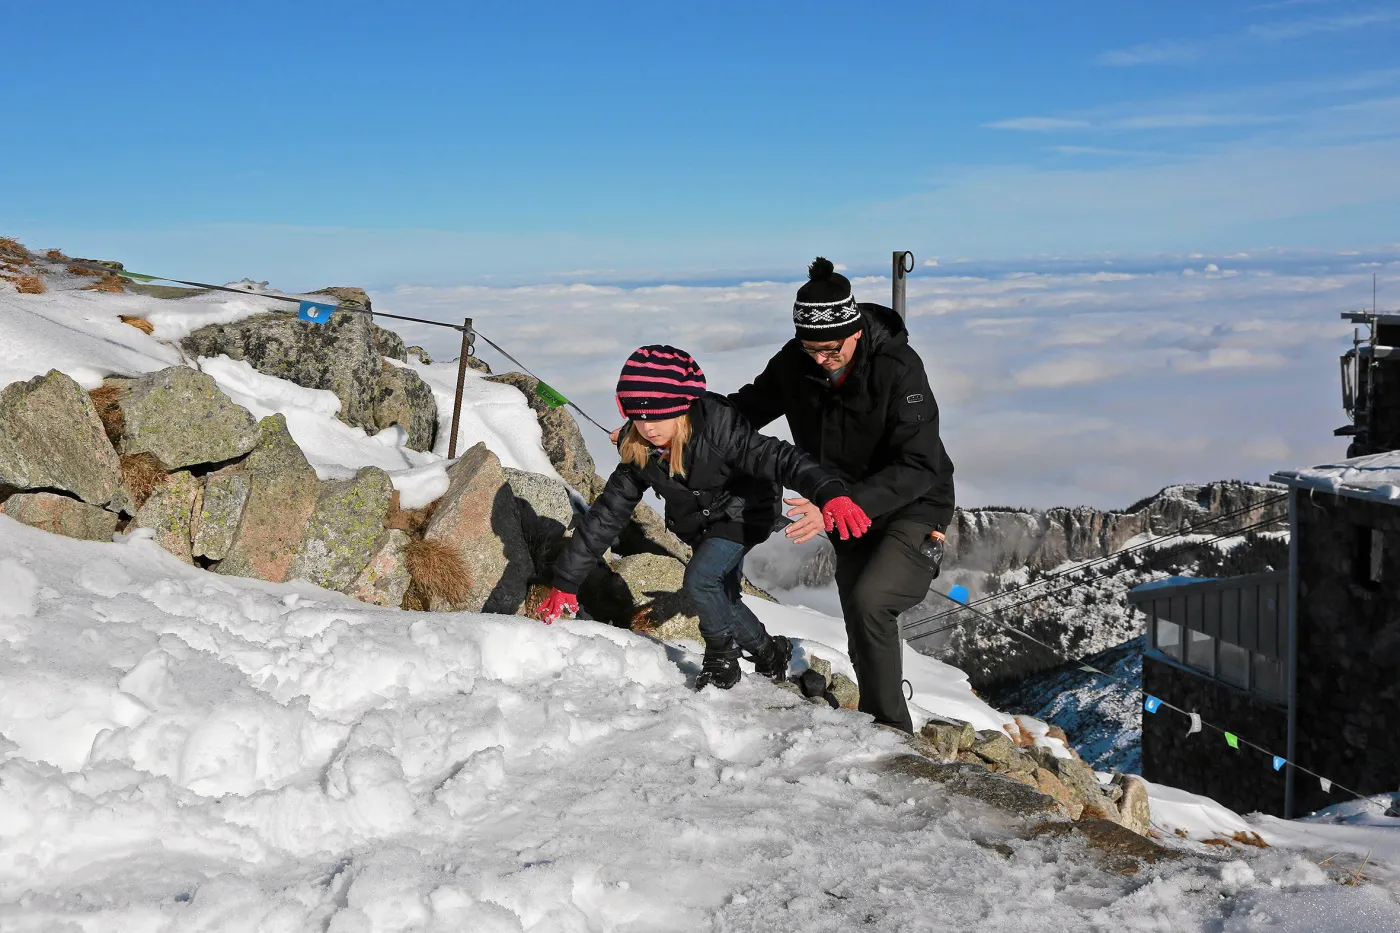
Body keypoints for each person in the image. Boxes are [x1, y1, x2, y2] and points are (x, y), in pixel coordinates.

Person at [536, 345, 873, 689]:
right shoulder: (641, 451)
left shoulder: (720, 429)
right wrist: (566, 581)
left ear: (682, 408)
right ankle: (770, 652)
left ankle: (721, 659)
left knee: (700, 580)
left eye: (659, 416)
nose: (649, 427)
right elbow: (607, 515)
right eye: (639, 417)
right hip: (699, 524)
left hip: (745, 514)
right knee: (722, 597)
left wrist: (829, 491)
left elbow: (780, 458)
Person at [728, 258, 955, 733]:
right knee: (857, 606)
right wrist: (677, 419)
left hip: (911, 504)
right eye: (810, 348)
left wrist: (846, 501)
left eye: (830, 348)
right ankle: (879, 719)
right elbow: (747, 408)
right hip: (839, 503)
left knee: (872, 598)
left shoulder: (899, 369)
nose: (820, 359)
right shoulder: (797, 362)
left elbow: (919, 464)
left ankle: (892, 731)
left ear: (854, 331)